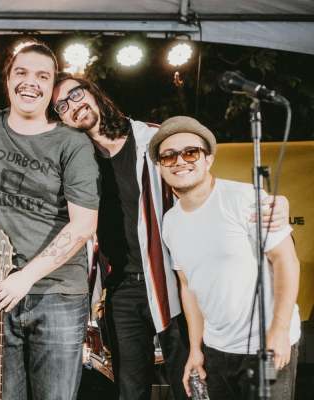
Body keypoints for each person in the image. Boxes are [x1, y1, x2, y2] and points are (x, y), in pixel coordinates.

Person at [52, 74, 290, 400]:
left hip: (172, 281)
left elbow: (199, 185)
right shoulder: (77, 163)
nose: (72, 106)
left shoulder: (152, 139)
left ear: (93, 92)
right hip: (120, 288)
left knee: (190, 383)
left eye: (76, 94)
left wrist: (271, 202)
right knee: (129, 390)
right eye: (61, 106)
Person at [0, 42, 100, 400]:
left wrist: (25, 277)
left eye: (42, 76)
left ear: (52, 86)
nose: (31, 82)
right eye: (22, 72)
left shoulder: (72, 142)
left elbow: (83, 225)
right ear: (8, 79)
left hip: (58, 293)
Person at [151, 116, 301, 400]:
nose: (180, 161)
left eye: (190, 152)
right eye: (168, 156)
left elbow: (286, 261)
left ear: (208, 159)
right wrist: (196, 349)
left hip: (266, 345)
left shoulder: (244, 198)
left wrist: (280, 331)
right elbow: (188, 287)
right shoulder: (170, 222)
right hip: (217, 350)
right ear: (160, 167)